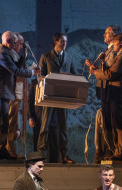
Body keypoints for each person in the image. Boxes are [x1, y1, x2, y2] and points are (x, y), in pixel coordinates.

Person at [0, 31, 40, 159]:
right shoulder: (2, 53)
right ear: (8, 41)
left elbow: (17, 65)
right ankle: (0, 152)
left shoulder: (5, 52)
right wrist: (33, 72)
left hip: (2, 92)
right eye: (15, 42)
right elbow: (16, 70)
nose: (16, 44)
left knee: (4, 123)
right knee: (2, 123)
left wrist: (25, 53)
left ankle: (2, 151)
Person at [87, 33, 122, 160]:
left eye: (115, 42)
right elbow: (110, 71)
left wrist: (95, 72)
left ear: (121, 43)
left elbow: (111, 75)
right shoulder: (121, 55)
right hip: (115, 95)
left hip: (119, 95)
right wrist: (102, 62)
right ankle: (118, 151)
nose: (113, 45)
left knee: (119, 123)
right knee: (115, 123)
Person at [37, 32, 76, 164]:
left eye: (65, 41)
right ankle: (40, 154)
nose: (64, 44)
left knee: (63, 127)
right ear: (55, 42)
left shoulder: (69, 57)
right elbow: (40, 76)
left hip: (63, 97)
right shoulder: (46, 56)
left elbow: (74, 76)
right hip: (49, 95)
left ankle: (64, 155)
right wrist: (49, 81)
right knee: (45, 126)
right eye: (61, 41)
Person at [7, 32, 26, 159]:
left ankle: (11, 149)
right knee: (10, 123)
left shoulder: (14, 54)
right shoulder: (9, 54)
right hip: (10, 92)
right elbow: (18, 68)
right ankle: (9, 149)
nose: (20, 46)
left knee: (13, 123)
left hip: (15, 92)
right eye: (19, 43)